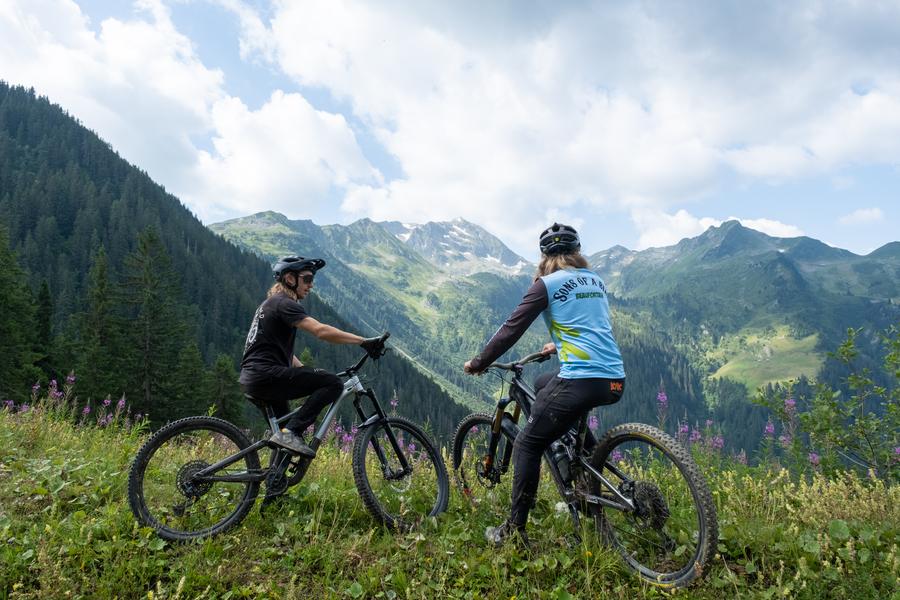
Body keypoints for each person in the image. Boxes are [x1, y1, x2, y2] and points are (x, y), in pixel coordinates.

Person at [464, 223, 626, 546]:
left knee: (527, 443)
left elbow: (510, 330)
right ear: (577, 252)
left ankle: (513, 531)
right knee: (542, 382)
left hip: (580, 380)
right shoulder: (596, 281)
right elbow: (591, 323)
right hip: (614, 379)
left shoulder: (545, 285)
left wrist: (479, 362)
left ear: (544, 257)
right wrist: (559, 345)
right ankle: (587, 458)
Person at [240, 256, 384, 458]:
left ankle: (275, 483)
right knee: (333, 383)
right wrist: (363, 341)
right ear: (290, 279)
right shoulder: (284, 303)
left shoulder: (271, 304)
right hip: (266, 375)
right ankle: (292, 432)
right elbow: (321, 331)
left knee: (283, 444)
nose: (311, 285)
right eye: (307, 279)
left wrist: (305, 372)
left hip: (256, 377)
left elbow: (283, 352)